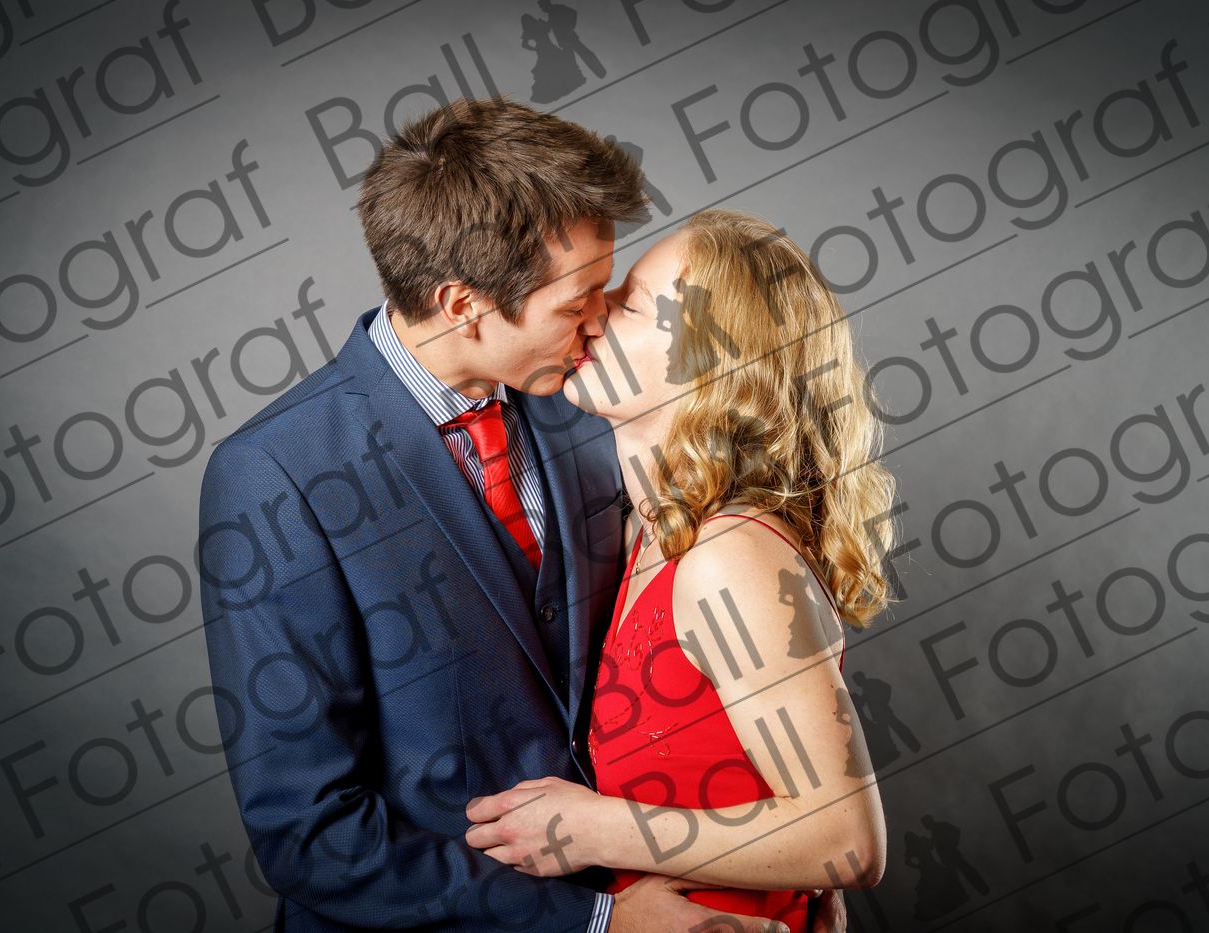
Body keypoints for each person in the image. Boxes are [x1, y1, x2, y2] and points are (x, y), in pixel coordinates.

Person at [198, 96, 844, 932]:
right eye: (577, 301)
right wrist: (596, 922)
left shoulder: (596, 405)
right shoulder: (274, 474)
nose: (600, 320)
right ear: (463, 304)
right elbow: (313, 836)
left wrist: (788, 865)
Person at [463, 208, 896, 931]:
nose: (591, 313)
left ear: (711, 363)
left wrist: (593, 828)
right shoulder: (652, 534)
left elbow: (845, 841)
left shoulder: (729, 557)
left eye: (630, 303)